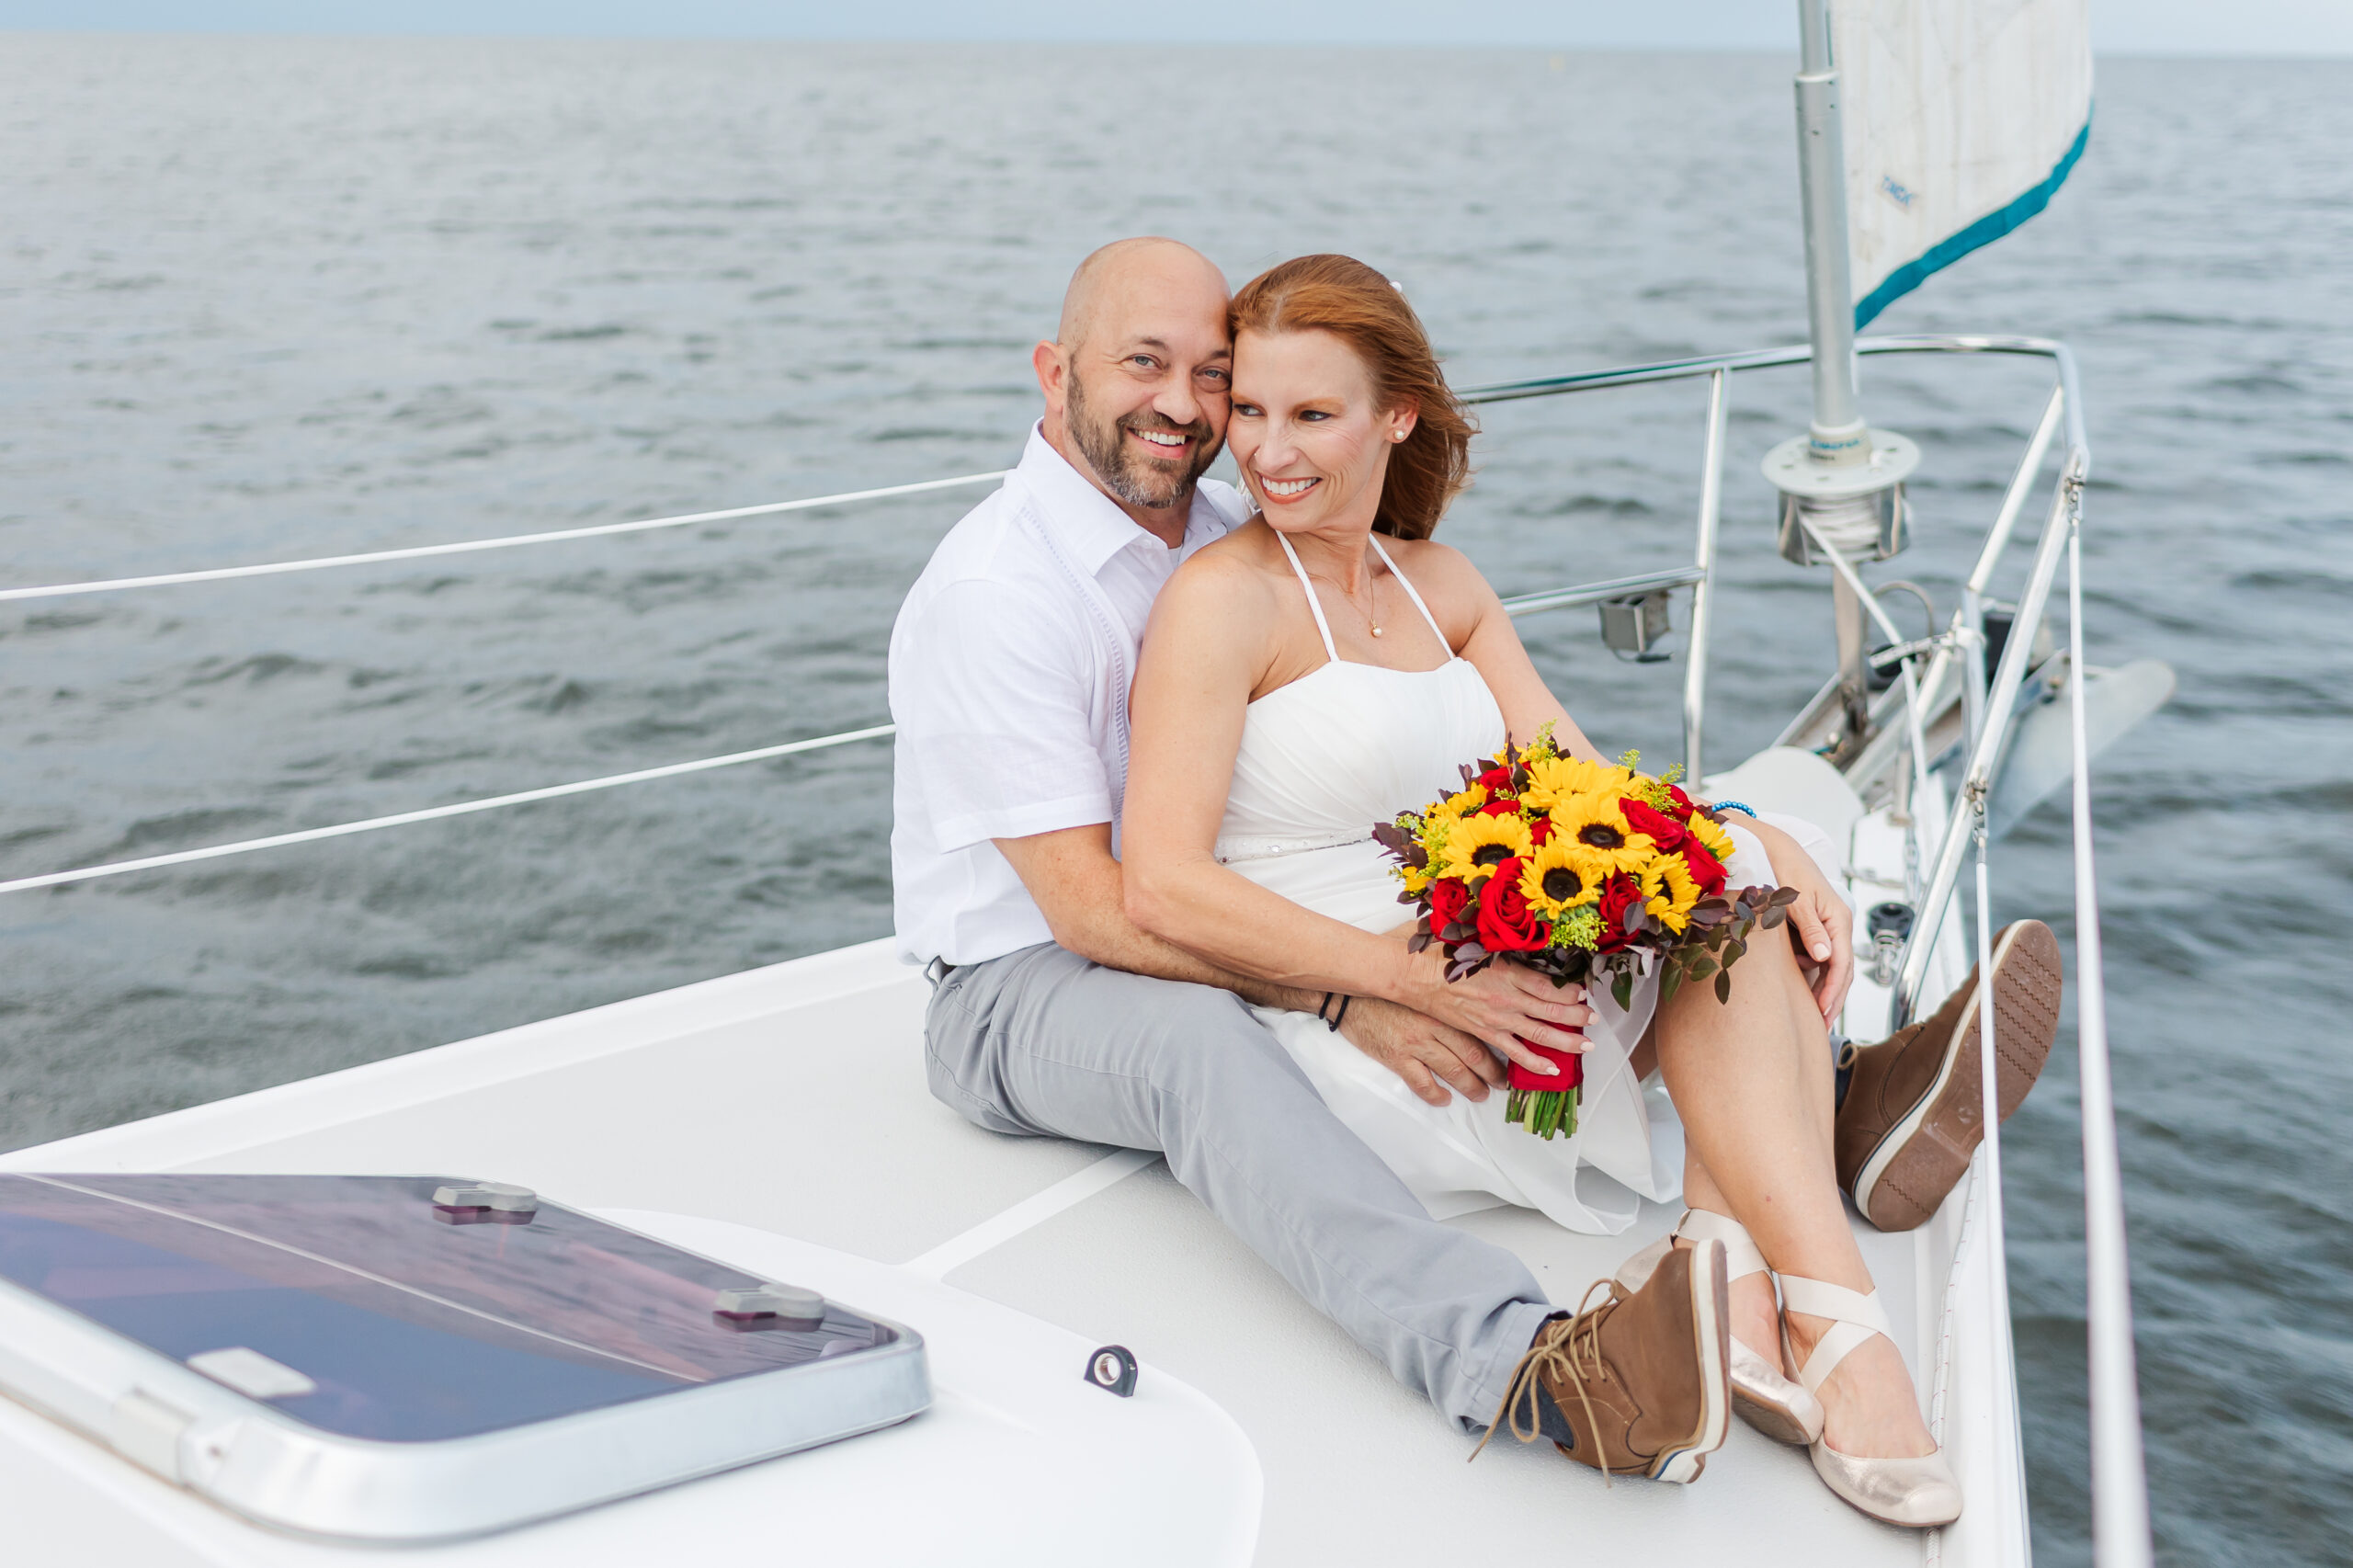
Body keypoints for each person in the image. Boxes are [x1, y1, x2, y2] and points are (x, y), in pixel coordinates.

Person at [889, 239, 2061, 1521]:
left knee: (1712, 881)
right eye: (1144, 365)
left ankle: (1805, 1170)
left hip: (1271, 912)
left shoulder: (1223, 510)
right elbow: (1104, 905)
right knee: (1193, 1042)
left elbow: (1548, 769)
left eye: (1214, 375)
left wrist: (1733, 829)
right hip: (1023, 975)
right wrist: (1361, 996)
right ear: (1055, 371)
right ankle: (1528, 1363)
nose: (1194, 408)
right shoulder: (1004, 591)